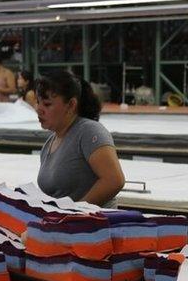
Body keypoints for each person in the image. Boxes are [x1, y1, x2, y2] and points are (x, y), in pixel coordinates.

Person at [34, 70, 124, 205]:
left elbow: (114, 180)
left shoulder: (89, 131)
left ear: (71, 105)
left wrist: (76, 211)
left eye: (47, 104)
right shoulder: (49, 143)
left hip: (92, 223)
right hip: (64, 222)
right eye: (38, 102)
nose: (38, 109)